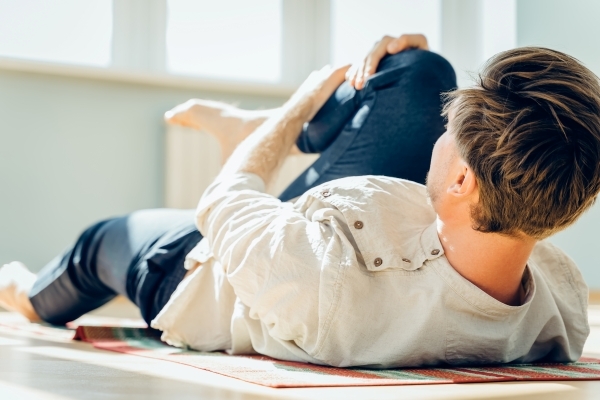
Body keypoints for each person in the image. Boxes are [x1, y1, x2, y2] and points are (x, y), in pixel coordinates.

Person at [1, 34, 600, 368]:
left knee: (100, 242)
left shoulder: (324, 285)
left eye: (448, 134)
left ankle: (24, 294)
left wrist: (298, 106)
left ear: (462, 180)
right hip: (348, 232)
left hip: (199, 270)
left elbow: (226, 195)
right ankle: (267, 132)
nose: (438, 136)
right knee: (419, 73)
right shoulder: (564, 305)